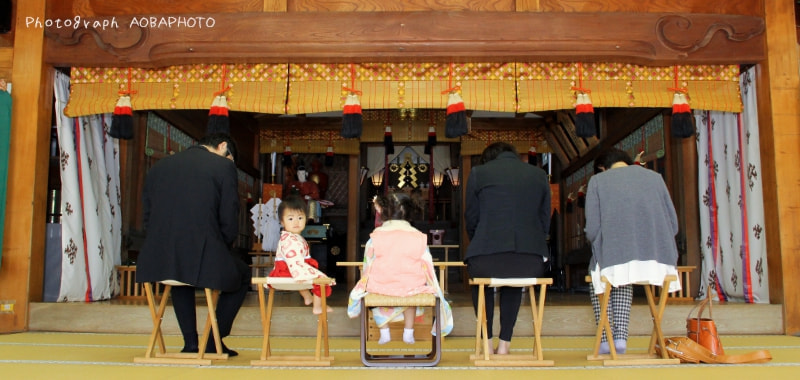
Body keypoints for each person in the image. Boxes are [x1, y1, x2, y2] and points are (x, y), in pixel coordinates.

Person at [137, 133, 250, 357]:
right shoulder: (222, 167)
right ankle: (213, 338)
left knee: (179, 274)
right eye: (229, 158)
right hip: (204, 253)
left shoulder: (160, 166)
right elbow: (229, 217)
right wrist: (223, 247)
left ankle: (190, 343)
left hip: (159, 259)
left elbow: (147, 214)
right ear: (223, 146)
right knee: (242, 274)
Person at [584, 147, 681, 354]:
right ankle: (620, 338)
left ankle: (607, 337)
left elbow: (592, 228)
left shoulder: (599, 181)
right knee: (623, 275)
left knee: (602, 272)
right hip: (659, 261)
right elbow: (673, 224)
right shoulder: (655, 178)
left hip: (615, 260)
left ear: (602, 167)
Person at [464, 141, 551, 355]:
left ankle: (486, 342)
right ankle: (505, 344)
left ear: (488, 158)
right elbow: (544, 219)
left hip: (486, 257)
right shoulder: (538, 175)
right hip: (530, 261)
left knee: (480, 281)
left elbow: (471, 217)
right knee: (514, 279)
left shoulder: (478, 173)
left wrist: (481, 242)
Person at [347, 192, 452, 344]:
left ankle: (384, 331)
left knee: (371, 290)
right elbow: (426, 264)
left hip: (381, 286)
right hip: (411, 287)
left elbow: (368, 263)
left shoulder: (376, 236)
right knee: (411, 298)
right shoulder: (417, 236)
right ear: (410, 213)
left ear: (385, 212)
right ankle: (409, 331)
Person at [269, 195, 334, 314]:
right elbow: (294, 264)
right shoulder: (289, 240)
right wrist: (309, 272)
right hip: (287, 271)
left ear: (306, 218)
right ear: (282, 222)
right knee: (321, 280)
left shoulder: (294, 237)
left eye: (300, 217)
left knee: (312, 273)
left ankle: (308, 297)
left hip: (289, 269)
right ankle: (318, 307)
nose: (296, 222)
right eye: (290, 219)